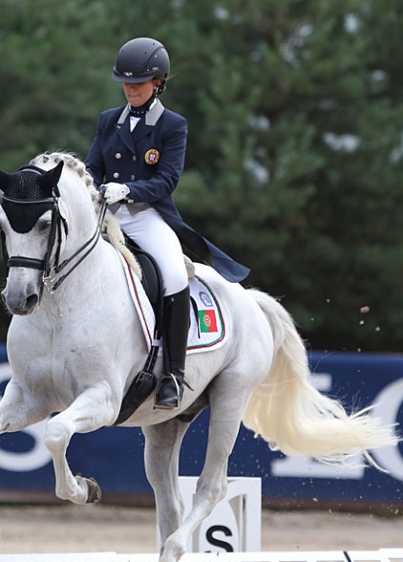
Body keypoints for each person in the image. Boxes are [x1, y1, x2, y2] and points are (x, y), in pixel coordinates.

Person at [86, 37, 249, 410]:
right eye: (126, 82)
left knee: (175, 275)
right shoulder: (108, 120)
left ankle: (174, 373)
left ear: (158, 82)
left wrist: (126, 189)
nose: (131, 88)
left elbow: (167, 180)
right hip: (106, 212)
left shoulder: (172, 126)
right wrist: (97, 189)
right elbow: (93, 165)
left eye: (139, 82)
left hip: (145, 215)